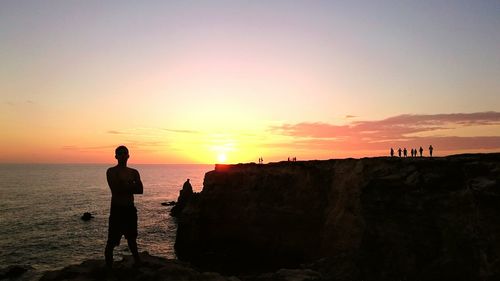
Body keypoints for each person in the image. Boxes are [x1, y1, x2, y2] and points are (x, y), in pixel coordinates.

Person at [105, 146, 144, 268]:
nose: (122, 156)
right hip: (117, 210)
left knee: (132, 239)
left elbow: (140, 190)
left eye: (124, 153)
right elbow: (116, 189)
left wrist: (124, 183)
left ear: (128, 155)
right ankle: (109, 269)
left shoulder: (134, 172)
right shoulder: (111, 171)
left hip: (130, 210)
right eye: (119, 154)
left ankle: (138, 263)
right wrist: (131, 184)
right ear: (116, 156)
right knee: (111, 242)